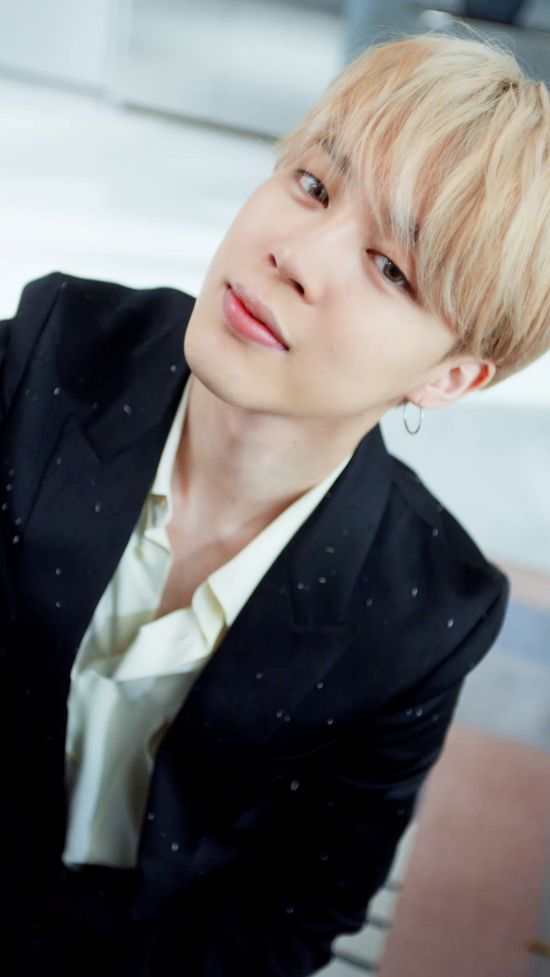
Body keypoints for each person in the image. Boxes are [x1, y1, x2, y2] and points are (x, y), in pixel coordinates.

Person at [1, 31, 549, 977]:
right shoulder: (49, 353)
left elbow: (302, 900)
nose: (292, 253)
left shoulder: (425, 612)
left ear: (450, 377)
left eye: (391, 267)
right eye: (312, 185)